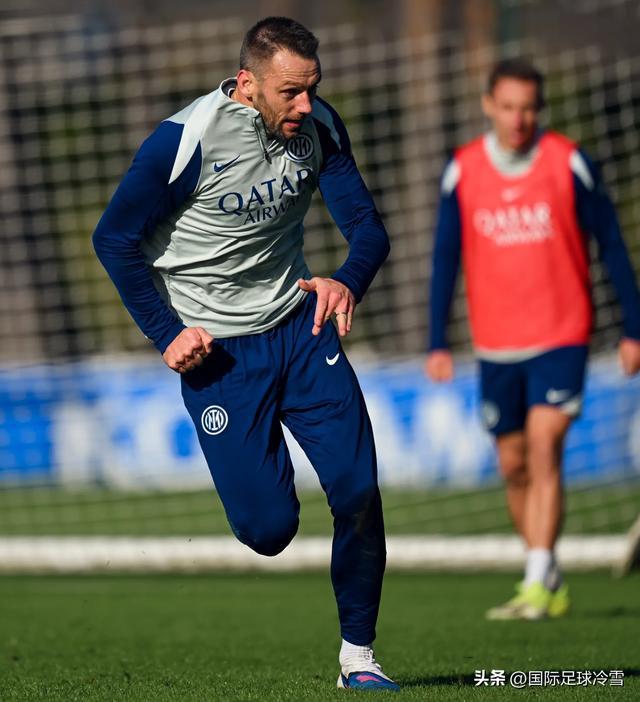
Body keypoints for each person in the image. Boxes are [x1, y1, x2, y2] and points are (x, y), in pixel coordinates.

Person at [93, 16, 399, 691]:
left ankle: (359, 658)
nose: (305, 105)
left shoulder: (320, 127)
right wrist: (167, 333)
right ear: (246, 83)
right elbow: (112, 239)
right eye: (290, 92)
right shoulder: (184, 142)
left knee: (357, 490)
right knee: (268, 529)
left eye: (312, 88)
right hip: (220, 358)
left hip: (301, 331)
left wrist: (346, 281)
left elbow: (367, 229)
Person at [425, 58, 640, 620]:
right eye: (507, 107)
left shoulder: (569, 162)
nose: (518, 119)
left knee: (546, 445)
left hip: (561, 335)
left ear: (539, 110)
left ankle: (535, 582)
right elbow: (445, 258)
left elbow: (612, 245)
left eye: (527, 108)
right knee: (514, 465)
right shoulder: (463, 170)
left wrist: (633, 327)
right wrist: (436, 340)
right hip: (496, 344)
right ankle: (547, 575)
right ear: (488, 106)